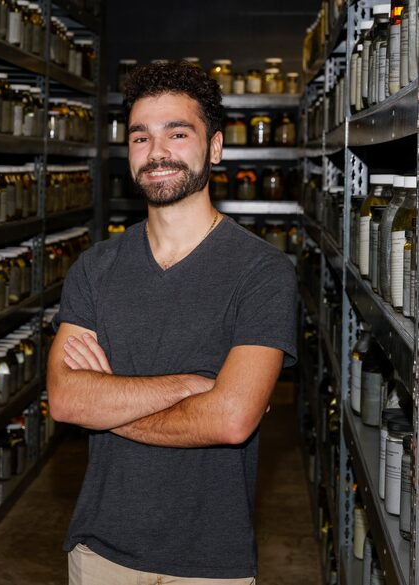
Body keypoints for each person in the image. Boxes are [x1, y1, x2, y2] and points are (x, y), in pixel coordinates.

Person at [46, 60, 297, 585]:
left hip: (209, 564)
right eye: (141, 137)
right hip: (99, 553)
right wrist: (190, 387)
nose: (157, 152)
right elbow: (67, 400)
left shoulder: (263, 273)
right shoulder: (95, 268)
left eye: (177, 133)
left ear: (216, 148)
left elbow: (230, 420)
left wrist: (108, 400)